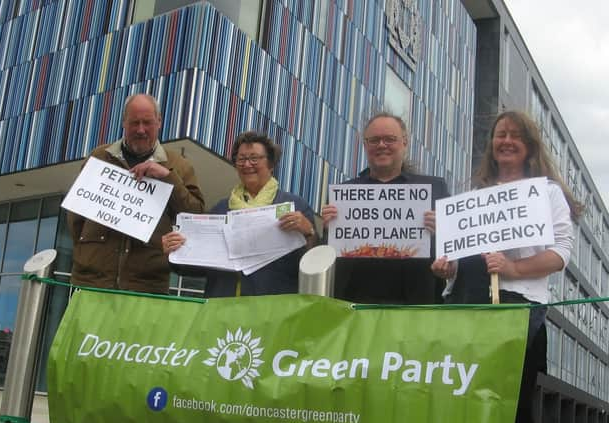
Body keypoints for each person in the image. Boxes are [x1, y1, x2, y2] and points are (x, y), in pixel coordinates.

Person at [433, 111, 582, 423]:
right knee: (461, 392)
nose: (507, 141)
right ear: (491, 144)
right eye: (501, 134)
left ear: (529, 146)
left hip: (515, 306)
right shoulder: (473, 198)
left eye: (515, 135)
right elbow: (460, 254)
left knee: (505, 399)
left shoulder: (548, 193)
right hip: (463, 302)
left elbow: (560, 254)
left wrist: (513, 267)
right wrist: (448, 267)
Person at [68, 94, 205, 294]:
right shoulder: (99, 157)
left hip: (147, 286)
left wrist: (167, 177)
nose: (141, 130)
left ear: (159, 122)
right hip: (92, 282)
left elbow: (195, 215)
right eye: (134, 123)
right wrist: (85, 251)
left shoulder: (178, 166)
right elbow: (75, 214)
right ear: (124, 123)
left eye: (147, 122)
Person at [163, 131, 317, 296]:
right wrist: (175, 251)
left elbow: (313, 264)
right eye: (241, 159)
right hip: (222, 308)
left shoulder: (296, 206)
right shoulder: (220, 210)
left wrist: (309, 232)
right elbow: (199, 266)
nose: (247, 164)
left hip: (273, 310)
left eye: (254, 158)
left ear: (271, 165)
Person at [322, 112, 450, 304]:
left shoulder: (435, 190)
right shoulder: (343, 194)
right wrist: (327, 230)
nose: (382, 145)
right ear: (365, 146)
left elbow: (453, 250)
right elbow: (327, 256)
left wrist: (441, 229)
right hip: (354, 303)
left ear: (404, 143)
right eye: (374, 140)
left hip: (417, 303)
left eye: (389, 139)